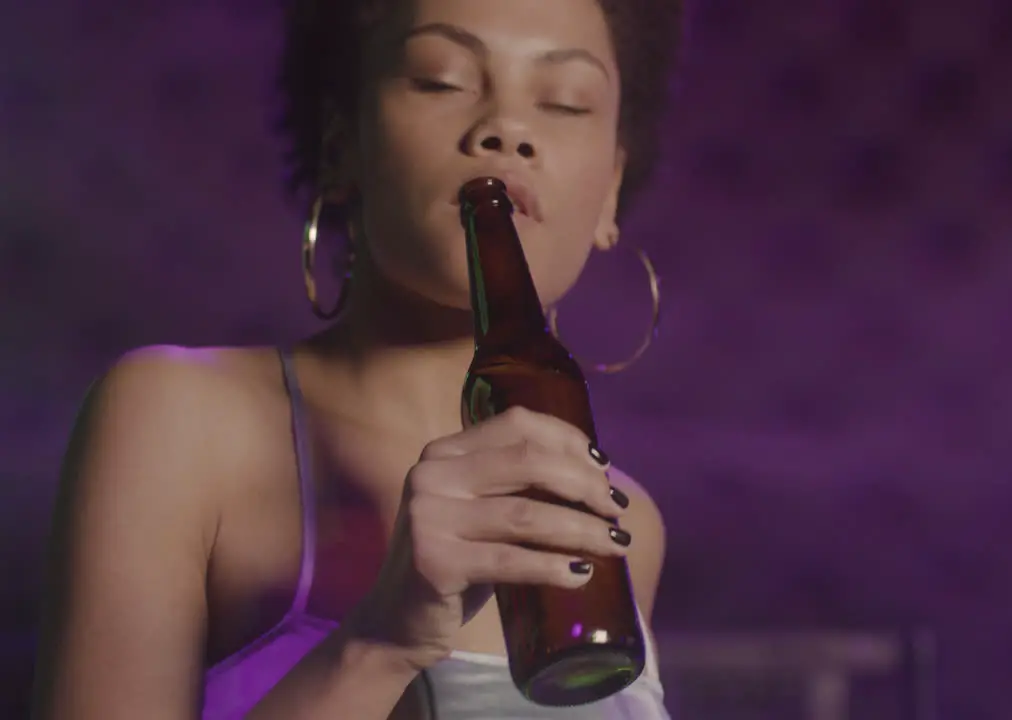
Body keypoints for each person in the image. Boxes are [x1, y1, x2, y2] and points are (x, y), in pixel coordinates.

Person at [31, 0, 685, 717]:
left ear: (611, 190)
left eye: (566, 102)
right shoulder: (179, 420)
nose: (507, 130)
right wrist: (382, 641)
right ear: (342, 147)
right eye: (441, 80)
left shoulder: (626, 522)